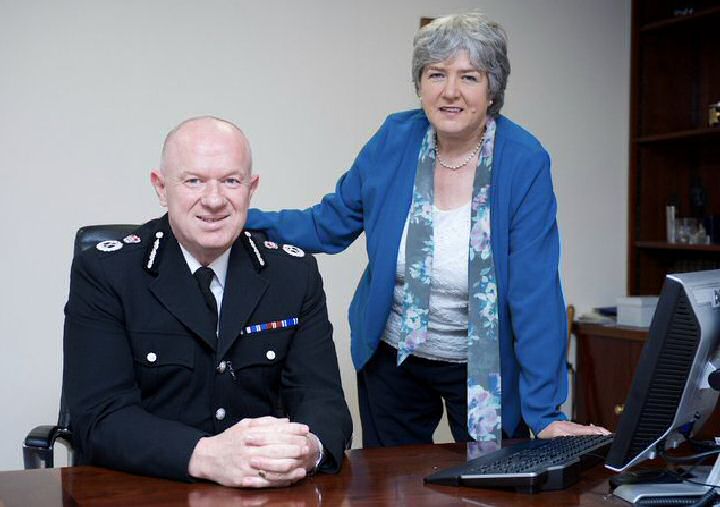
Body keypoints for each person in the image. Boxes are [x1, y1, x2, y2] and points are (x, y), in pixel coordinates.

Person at [246, 12, 608, 447]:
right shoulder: (394, 139)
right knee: (389, 486)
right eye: (437, 74)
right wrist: (243, 220)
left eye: (469, 77)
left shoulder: (523, 161)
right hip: (393, 357)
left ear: (493, 89)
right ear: (420, 85)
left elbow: (534, 293)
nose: (450, 92)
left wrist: (546, 411)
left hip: (483, 364)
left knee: (489, 483)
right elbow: (330, 223)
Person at [63, 116, 353, 487]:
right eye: (194, 181)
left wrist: (306, 449)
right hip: (145, 488)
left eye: (231, 181)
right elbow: (100, 417)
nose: (214, 200)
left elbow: (322, 398)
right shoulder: (107, 273)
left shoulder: (293, 275)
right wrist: (206, 456)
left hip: (264, 490)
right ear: (161, 187)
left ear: (251, 188)